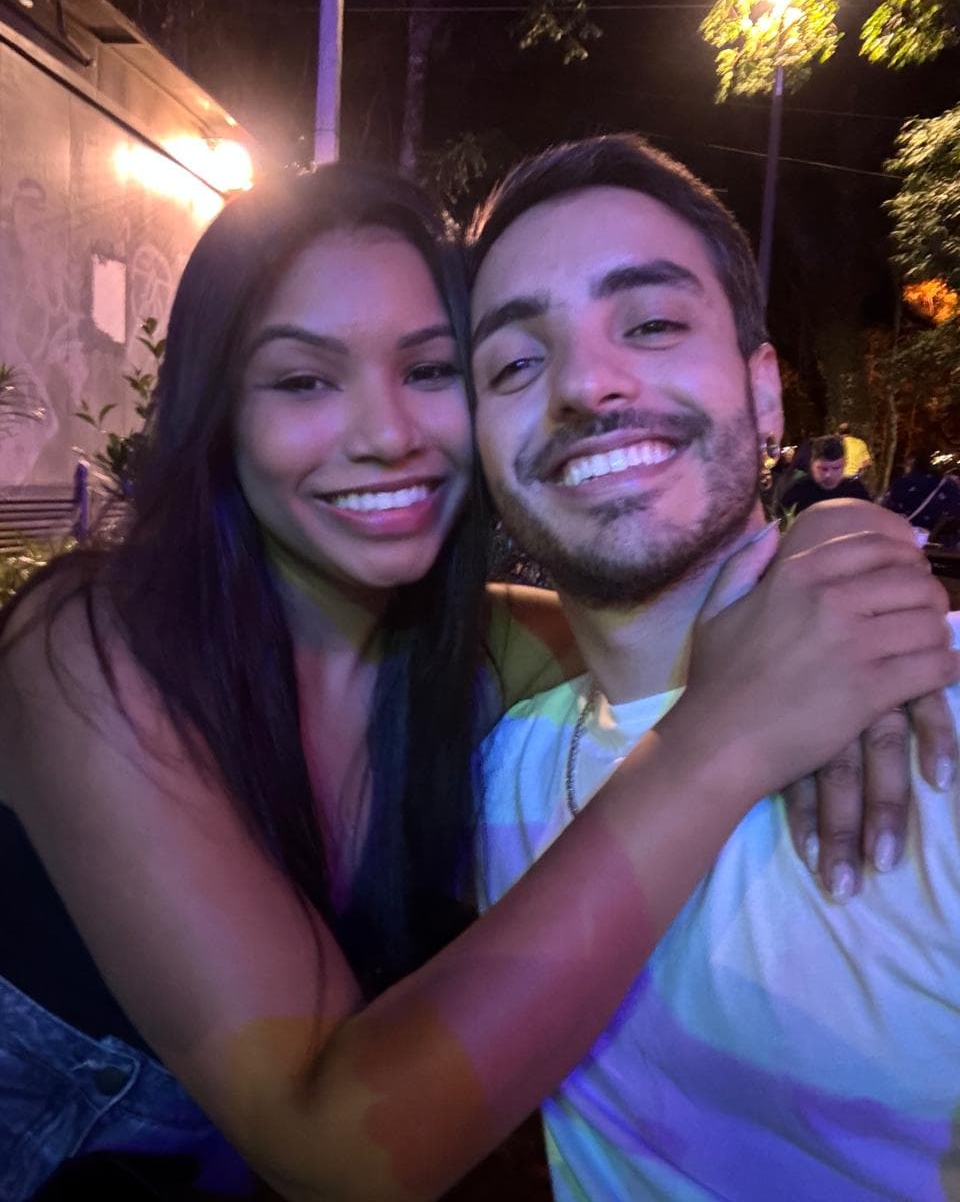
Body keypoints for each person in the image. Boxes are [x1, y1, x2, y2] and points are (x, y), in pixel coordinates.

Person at [0, 163, 954, 1202]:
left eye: (430, 369)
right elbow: (335, 1150)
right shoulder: (94, 644)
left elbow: (668, 621)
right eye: (303, 381)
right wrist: (726, 736)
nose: (387, 435)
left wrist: (840, 561)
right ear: (218, 415)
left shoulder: (484, 658)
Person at [468, 133, 960, 1201]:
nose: (585, 384)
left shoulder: (938, 713)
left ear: (765, 390)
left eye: (651, 323)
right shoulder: (498, 767)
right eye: (514, 364)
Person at [780, 433, 872, 515]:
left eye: (836, 468)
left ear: (844, 464)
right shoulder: (798, 492)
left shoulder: (856, 492)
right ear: (812, 464)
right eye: (823, 469)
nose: (829, 475)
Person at [883, 449, 960, 543]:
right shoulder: (947, 484)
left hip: (903, 538)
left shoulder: (902, 484)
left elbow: (888, 510)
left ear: (911, 462)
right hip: (943, 541)